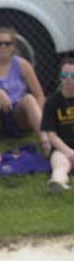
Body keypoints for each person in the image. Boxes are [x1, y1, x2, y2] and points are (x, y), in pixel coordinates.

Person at [0, 27, 48, 154]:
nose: (3, 47)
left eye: (7, 43)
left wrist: (38, 115)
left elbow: (39, 95)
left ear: (13, 47)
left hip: (18, 114)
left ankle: (46, 141)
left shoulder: (22, 64)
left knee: (30, 99)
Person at [41, 56, 74, 193]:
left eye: (72, 75)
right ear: (60, 77)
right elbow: (51, 135)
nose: (68, 79)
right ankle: (57, 183)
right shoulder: (51, 103)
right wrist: (69, 152)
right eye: (64, 75)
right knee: (60, 165)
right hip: (61, 147)